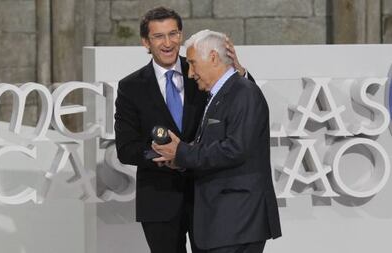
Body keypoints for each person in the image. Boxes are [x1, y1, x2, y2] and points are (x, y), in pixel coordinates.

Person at [115, 6, 252, 253]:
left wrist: (239, 72)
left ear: (180, 35)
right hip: (159, 201)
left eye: (173, 34)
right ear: (145, 42)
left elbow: (240, 102)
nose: (168, 43)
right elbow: (126, 149)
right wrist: (165, 157)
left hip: (207, 195)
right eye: (159, 36)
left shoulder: (200, 72)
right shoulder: (130, 87)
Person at [152, 30, 282, 253]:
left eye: (193, 63)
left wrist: (182, 152)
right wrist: (180, 159)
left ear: (213, 57)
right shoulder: (219, 95)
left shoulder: (243, 93)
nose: (190, 73)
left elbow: (235, 149)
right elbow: (215, 146)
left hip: (236, 222)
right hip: (220, 224)